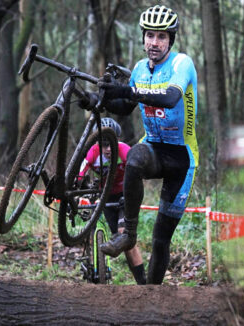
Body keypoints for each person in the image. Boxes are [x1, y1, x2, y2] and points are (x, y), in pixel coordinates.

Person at [95, 4, 199, 285]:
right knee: (135, 157)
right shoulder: (140, 69)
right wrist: (99, 100)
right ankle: (128, 234)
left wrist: (127, 89)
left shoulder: (181, 64)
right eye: (150, 36)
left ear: (171, 40)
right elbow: (127, 106)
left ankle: (152, 293)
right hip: (153, 147)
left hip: (181, 158)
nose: (154, 43)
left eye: (161, 37)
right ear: (143, 38)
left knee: (161, 239)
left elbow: (169, 98)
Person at [77, 118, 146, 285]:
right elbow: (78, 175)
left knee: (124, 236)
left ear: (117, 140)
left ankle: (143, 283)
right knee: (120, 240)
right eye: (103, 144)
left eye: (111, 144)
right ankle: (97, 262)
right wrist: (76, 193)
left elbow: (139, 176)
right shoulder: (92, 153)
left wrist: (131, 196)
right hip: (107, 195)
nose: (107, 149)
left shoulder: (124, 151)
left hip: (126, 194)